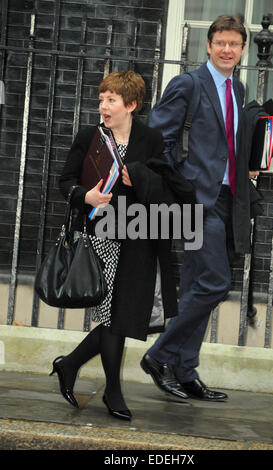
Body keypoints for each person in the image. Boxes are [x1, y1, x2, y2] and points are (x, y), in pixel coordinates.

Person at [50, 71, 196, 420]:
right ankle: (112, 391)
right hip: (101, 235)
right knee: (114, 317)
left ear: (131, 105)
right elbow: (64, 181)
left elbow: (172, 188)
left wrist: (139, 177)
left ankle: (70, 365)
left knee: (121, 315)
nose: (103, 106)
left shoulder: (150, 139)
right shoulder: (89, 136)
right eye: (101, 99)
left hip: (138, 237)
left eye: (111, 100)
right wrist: (86, 195)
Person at [141, 15, 261, 401]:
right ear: (208, 46)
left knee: (198, 285)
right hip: (195, 201)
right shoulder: (188, 84)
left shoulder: (238, 89)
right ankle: (159, 356)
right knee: (214, 283)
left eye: (234, 44)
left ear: (242, 50)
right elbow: (157, 140)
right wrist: (182, 184)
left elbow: (229, 141)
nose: (227, 50)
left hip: (228, 199)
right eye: (220, 43)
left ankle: (185, 370)